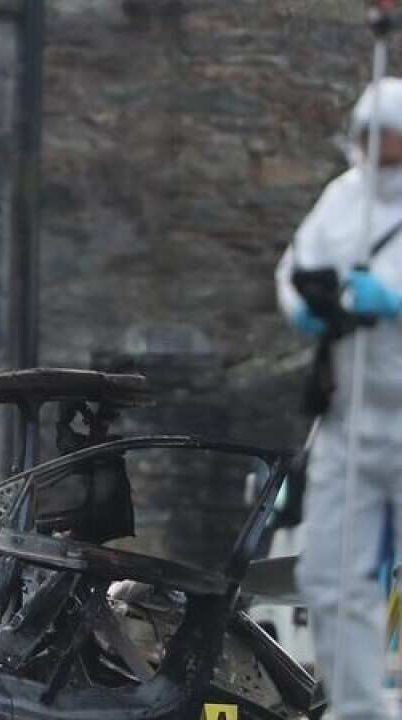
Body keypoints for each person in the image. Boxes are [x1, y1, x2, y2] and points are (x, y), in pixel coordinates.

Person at [276, 77, 402, 720]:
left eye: (393, 138)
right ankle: (358, 709)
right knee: (330, 571)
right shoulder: (342, 198)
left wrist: (390, 298)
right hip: (350, 416)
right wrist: (310, 304)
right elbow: (295, 267)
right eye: (373, 137)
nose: (382, 151)